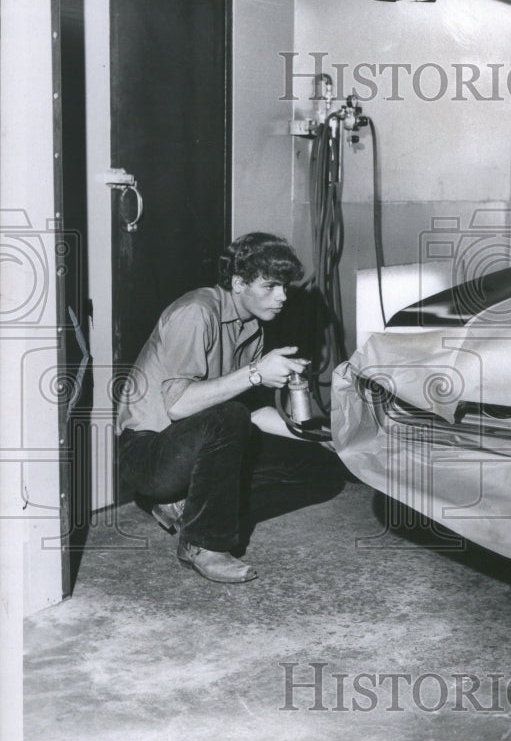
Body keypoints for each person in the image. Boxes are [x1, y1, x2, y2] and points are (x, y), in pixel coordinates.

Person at [116, 231, 344, 584]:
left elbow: (250, 413)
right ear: (238, 283)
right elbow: (179, 406)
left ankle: (186, 507)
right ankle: (201, 543)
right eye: (270, 287)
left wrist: (320, 437)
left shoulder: (253, 326)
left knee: (319, 470)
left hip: (196, 442)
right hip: (147, 452)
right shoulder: (195, 312)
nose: (282, 297)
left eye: (285, 286)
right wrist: (255, 373)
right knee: (229, 418)